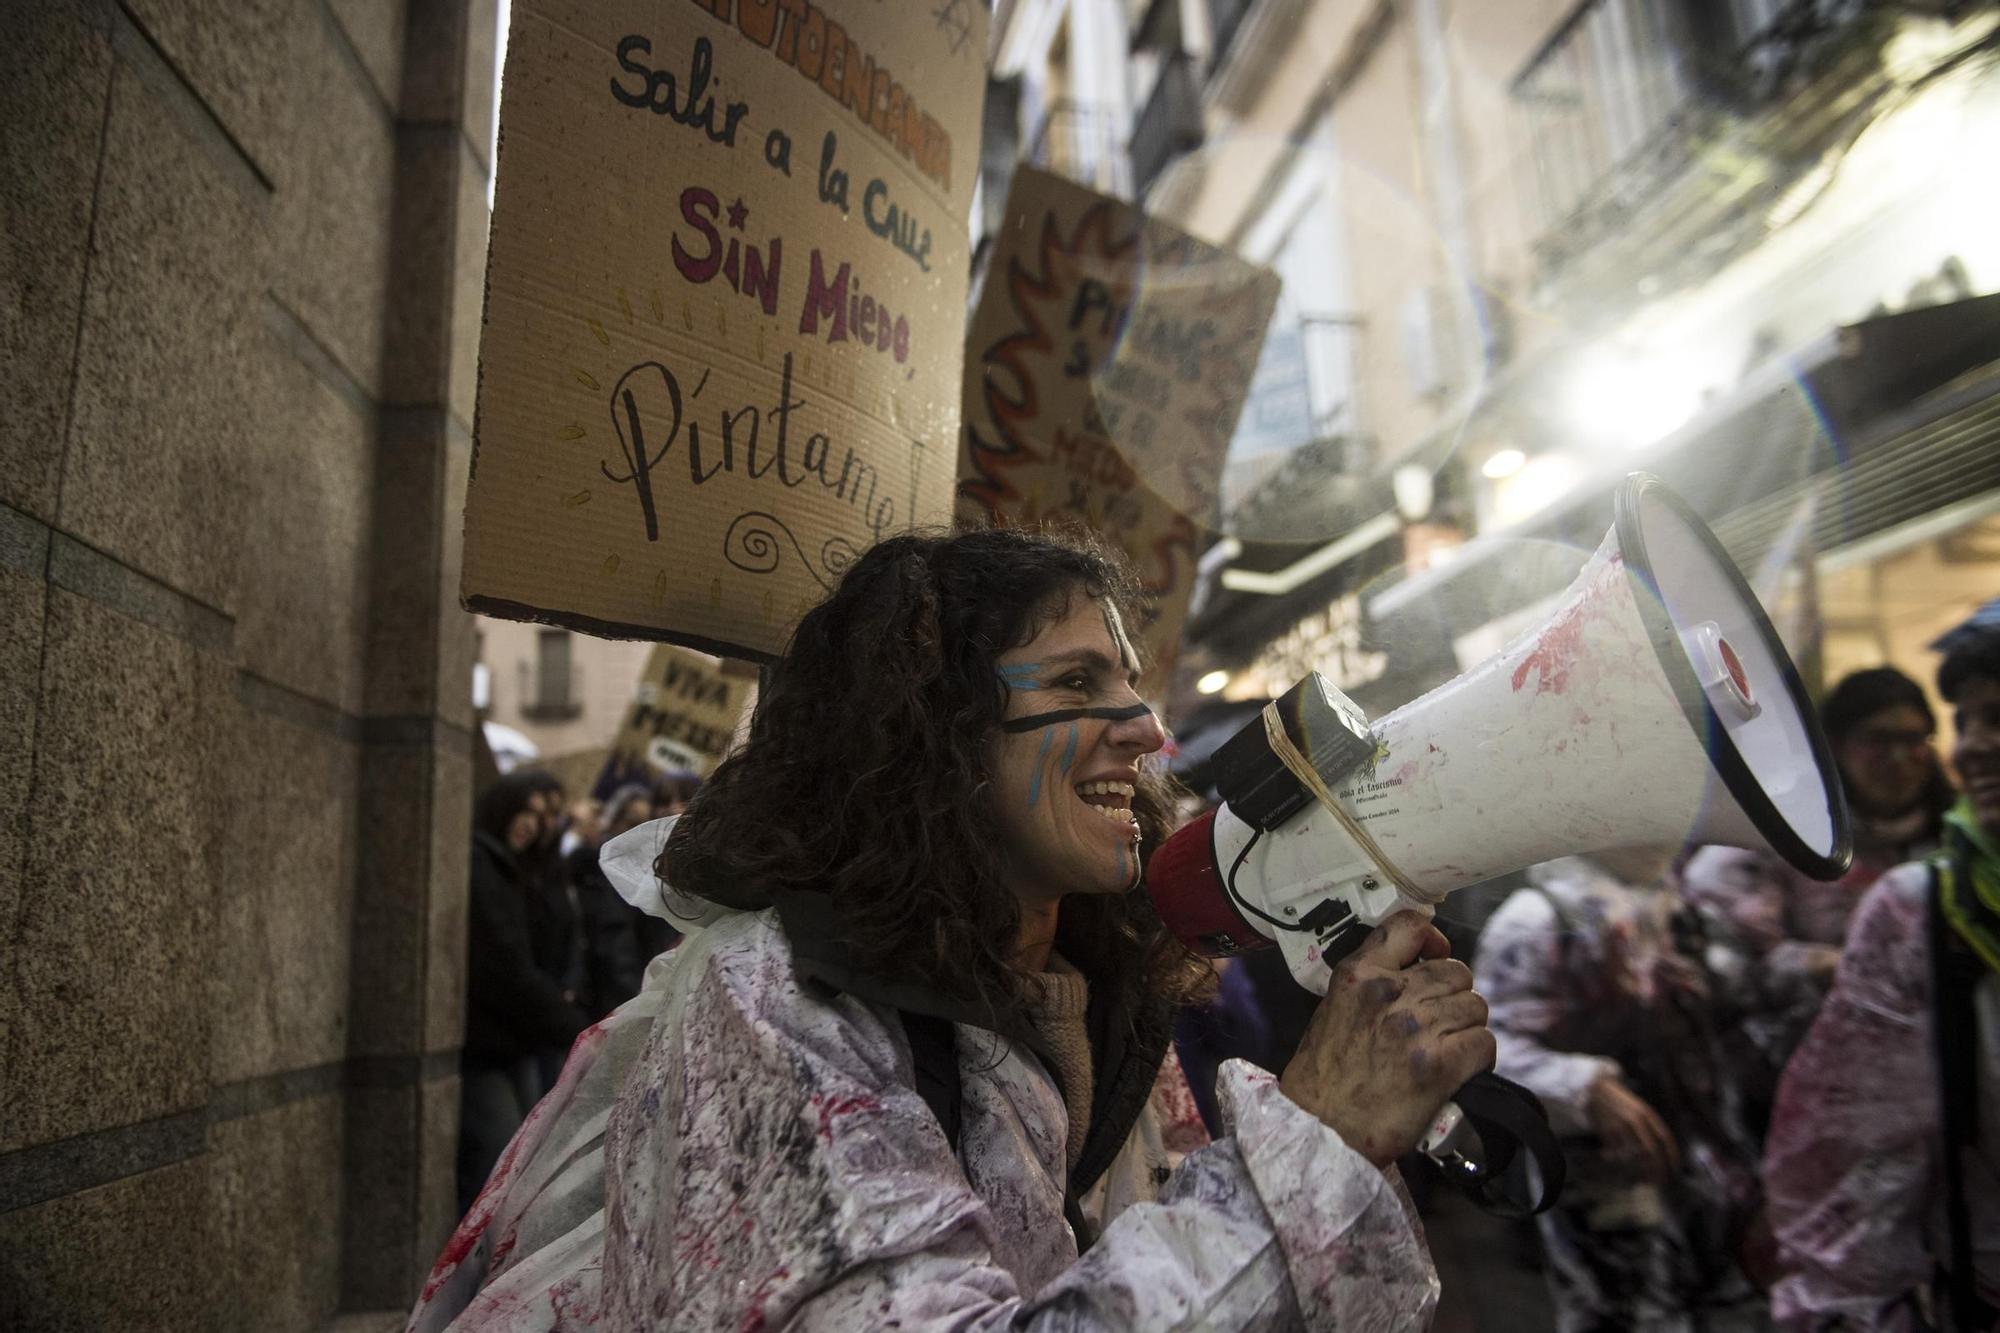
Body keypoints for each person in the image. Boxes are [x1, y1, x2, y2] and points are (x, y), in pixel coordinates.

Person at [411, 527, 1496, 1330]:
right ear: (935, 733)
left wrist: (1364, 1125)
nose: (1148, 729)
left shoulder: (1096, 999)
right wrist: (1313, 1145)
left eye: (1127, 680)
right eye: (1078, 682)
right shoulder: (773, 1005)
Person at [1762, 608, 2000, 1330]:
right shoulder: (1917, 906)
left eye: (1919, 739)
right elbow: (1853, 1174)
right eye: (1967, 722)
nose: (1975, 748)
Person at [1477, 849, 1767, 1332]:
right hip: (1606, 1188)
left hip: (1705, 1175)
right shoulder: (1533, 920)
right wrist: (1586, 1087)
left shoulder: (1681, 910)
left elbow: (1742, 1003)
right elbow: (1487, 1050)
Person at [1676, 667, 1954, 1128]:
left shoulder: (1959, 839)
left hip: (1934, 1084)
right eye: (1878, 741)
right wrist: (1827, 967)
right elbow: (1723, 960)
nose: (1899, 758)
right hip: (1796, 1085)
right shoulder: (1781, 834)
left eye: (1915, 740)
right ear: (1838, 747)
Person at [459, 771, 589, 1214]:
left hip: (519, 1040)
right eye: (527, 810)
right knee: (498, 1165)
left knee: (516, 1163)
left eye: (545, 815)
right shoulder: (484, 865)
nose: (534, 824)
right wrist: (572, 1024)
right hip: (491, 1044)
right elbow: (505, 967)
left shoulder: (520, 870)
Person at [564, 781, 679, 1016]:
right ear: (614, 821)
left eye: (644, 825)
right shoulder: (601, 874)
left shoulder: (651, 875)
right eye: (632, 823)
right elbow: (616, 949)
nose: (637, 834)